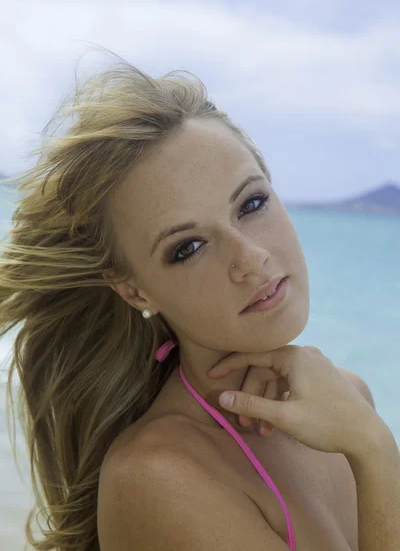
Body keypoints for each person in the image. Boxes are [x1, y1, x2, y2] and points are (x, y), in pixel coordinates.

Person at [0, 49, 398, 551]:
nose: (250, 258)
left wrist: (364, 437)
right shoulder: (158, 478)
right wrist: (375, 450)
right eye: (187, 247)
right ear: (134, 289)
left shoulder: (347, 399)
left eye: (252, 203)